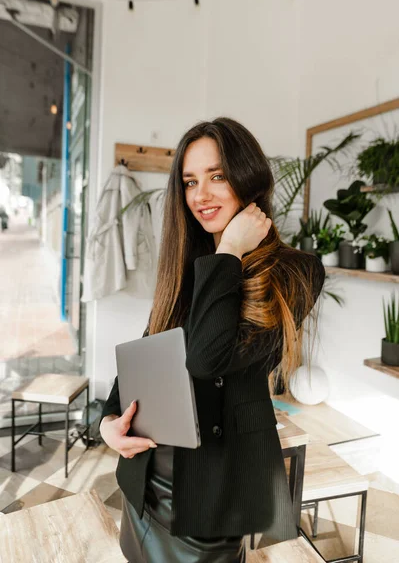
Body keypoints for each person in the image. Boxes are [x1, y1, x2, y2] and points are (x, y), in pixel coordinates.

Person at [99, 117, 326, 562]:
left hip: (213, 495)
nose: (200, 194)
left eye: (217, 176)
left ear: (248, 177)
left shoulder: (296, 271)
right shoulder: (188, 265)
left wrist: (230, 252)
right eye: (189, 181)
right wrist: (108, 422)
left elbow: (206, 358)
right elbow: (147, 355)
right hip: (146, 479)